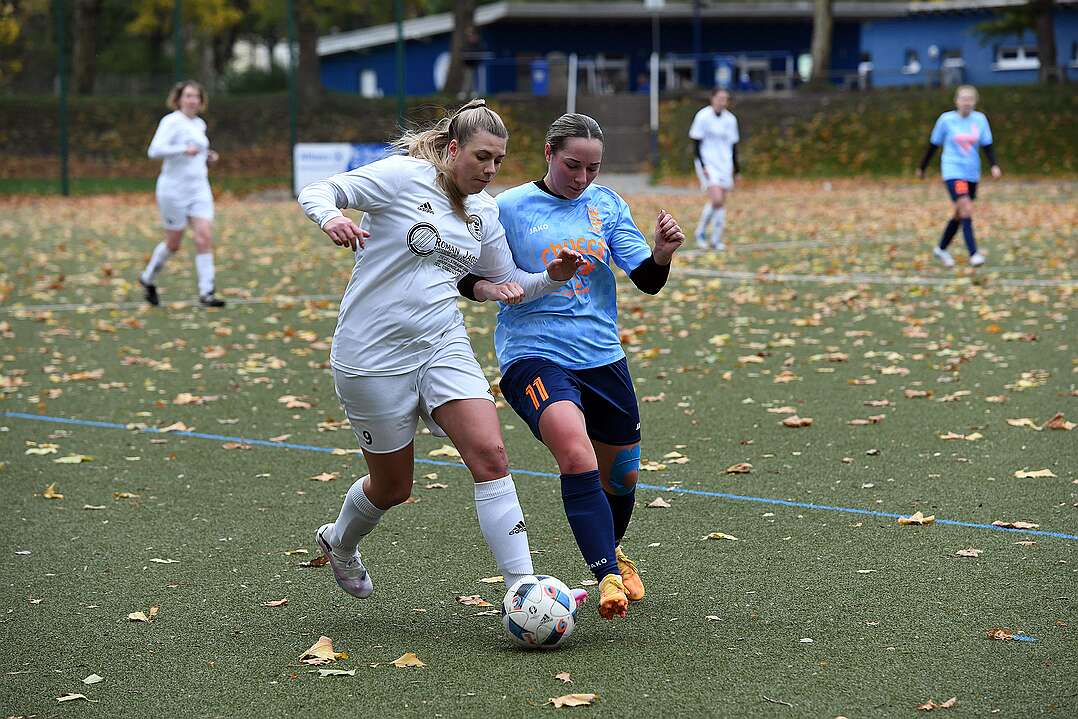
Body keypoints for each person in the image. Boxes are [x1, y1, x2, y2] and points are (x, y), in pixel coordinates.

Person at [297, 99, 587, 602]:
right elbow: (319, 190)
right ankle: (340, 542)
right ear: (453, 150)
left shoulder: (484, 211)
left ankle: (522, 587)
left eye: (498, 160)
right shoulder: (403, 177)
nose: (490, 170)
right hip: (371, 355)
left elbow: (509, 282)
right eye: (481, 157)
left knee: (491, 456)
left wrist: (550, 277)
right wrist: (331, 218)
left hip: (442, 345)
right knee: (393, 488)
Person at [458, 113, 686, 620]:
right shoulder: (508, 208)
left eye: (593, 168)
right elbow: (466, 275)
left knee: (622, 475)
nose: (582, 178)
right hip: (532, 352)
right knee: (574, 449)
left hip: (601, 355)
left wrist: (662, 254)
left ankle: (611, 549)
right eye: (572, 165)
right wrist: (499, 286)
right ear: (548, 153)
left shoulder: (606, 205)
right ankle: (606, 575)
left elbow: (646, 280)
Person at [139, 80, 225, 308]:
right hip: (173, 191)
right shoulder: (171, 122)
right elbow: (154, 151)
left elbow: (197, 152)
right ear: (178, 99)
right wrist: (183, 150)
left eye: (196, 96)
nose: (192, 100)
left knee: (204, 236)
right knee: (173, 243)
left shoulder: (199, 124)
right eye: (188, 96)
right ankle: (147, 278)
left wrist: (208, 156)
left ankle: (207, 292)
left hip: (199, 189)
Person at [918, 84, 1001, 268]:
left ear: (975, 102)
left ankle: (941, 248)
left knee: (960, 213)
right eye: (963, 99)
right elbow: (933, 145)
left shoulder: (980, 120)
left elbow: (987, 145)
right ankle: (974, 254)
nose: (966, 103)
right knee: (966, 207)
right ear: (956, 101)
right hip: (953, 171)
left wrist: (994, 166)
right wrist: (922, 167)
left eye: (970, 99)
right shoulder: (946, 120)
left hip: (971, 173)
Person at [689, 87, 739, 250]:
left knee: (720, 202)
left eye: (725, 99)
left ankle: (715, 239)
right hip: (708, 164)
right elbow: (696, 143)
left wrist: (737, 169)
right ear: (712, 98)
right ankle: (701, 233)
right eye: (720, 98)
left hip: (724, 164)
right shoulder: (703, 116)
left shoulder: (730, 119)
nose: (722, 102)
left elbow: (734, 146)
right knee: (717, 199)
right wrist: (703, 165)